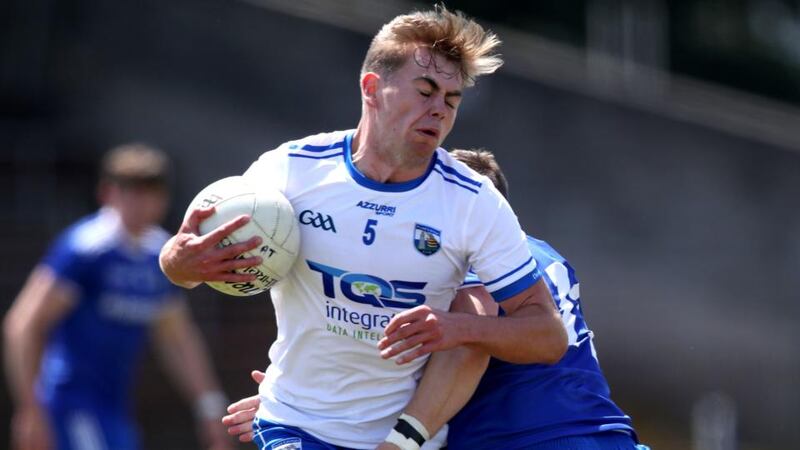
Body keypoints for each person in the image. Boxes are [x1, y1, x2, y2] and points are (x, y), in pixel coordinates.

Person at [159, 6, 567, 450]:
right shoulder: (291, 170)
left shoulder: (473, 202)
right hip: (294, 422)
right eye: (426, 91)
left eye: (451, 100)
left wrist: (458, 327)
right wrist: (180, 262)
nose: (439, 111)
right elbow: (181, 266)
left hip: (403, 440)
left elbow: (546, 335)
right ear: (372, 88)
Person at [223, 149, 649, 450]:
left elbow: (467, 333)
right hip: (606, 430)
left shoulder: (465, 253)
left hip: (517, 436)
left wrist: (391, 436)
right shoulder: (544, 255)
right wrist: (309, 399)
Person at [3, 143, 232, 450]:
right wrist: (31, 410)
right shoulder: (86, 250)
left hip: (114, 408)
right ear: (107, 193)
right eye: (130, 193)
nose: (141, 204)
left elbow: (177, 337)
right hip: (69, 403)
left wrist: (209, 405)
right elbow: (22, 325)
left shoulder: (160, 255)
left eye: (150, 194)